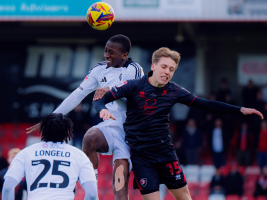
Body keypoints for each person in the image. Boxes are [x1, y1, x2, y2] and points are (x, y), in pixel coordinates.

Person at [93, 47, 264, 200]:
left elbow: (206, 104)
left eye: (172, 69)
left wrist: (239, 109)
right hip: (141, 156)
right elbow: (102, 99)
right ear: (153, 66)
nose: (167, 72)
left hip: (165, 153)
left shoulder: (174, 90)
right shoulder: (133, 86)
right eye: (164, 67)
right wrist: (102, 109)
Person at [26, 34, 144, 200]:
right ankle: (91, 193)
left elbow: (136, 96)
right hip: (109, 127)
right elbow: (76, 95)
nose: (106, 55)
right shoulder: (99, 69)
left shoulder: (134, 69)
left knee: (120, 189)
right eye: (105, 50)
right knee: (90, 137)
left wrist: (111, 89)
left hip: (129, 133)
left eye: (111, 52)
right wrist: (51, 117)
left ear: (124, 55)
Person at [3, 113, 97, 200]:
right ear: (68, 132)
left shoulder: (26, 152)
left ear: (42, 130)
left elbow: (7, 187)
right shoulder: (79, 155)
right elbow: (92, 194)